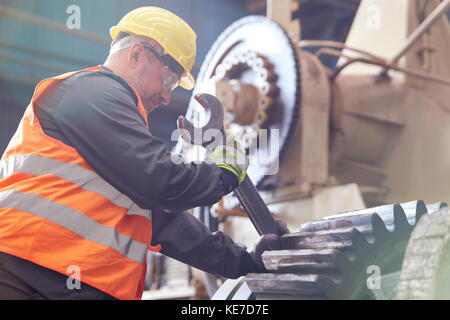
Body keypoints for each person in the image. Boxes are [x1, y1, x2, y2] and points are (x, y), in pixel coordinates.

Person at [0, 6, 288, 300]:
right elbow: (160, 181)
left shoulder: (121, 138)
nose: (166, 97)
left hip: (67, 280)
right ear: (137, 55)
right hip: (27, 269)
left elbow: (166, 223)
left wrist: (245, 261)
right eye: (170, 81)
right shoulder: (90, 93)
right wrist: (224, 175)